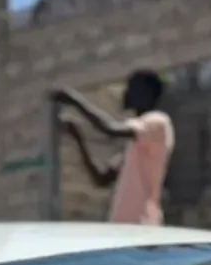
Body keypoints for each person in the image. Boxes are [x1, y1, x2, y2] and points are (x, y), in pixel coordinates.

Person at [55, 70, 174, 226]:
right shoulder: (135, 146)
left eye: (132, 87)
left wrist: (74, 101)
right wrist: (78, 138)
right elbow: (101, 179)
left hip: (141, 225)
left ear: (147, 92)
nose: (127, 92)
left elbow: (110, 128)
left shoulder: (157, 122)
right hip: (122, 227)